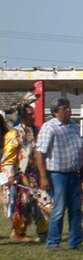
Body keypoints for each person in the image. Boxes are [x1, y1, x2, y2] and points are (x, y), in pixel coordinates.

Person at [35, 97, 83, 250]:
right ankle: (53, 242)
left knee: (76, 209)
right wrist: (43, 176)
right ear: (56, 112)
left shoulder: (74, 126)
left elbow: (78, 150)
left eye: (69, 107)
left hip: (73, 173)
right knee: (59, 208)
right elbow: (40, 153)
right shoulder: (49, 127)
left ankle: (75, 242)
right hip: (57, 174)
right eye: (64, 108)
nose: (69, 110)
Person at [2, 103, 49, 243]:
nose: (34, 116)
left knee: (43, 202)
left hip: (37, 173)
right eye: (30, 113)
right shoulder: (13, 134)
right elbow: (8, 158)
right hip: (20, 175)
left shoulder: (38, 131)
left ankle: (44, 233)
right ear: (22, 116)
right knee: (21, 205)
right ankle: (18, 233)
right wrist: (9, 174)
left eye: (33, 113)